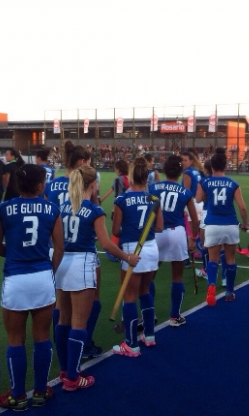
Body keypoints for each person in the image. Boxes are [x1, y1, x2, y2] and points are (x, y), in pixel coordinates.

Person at [55, 166, 140, 386]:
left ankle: (65, 369)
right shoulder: (94, 210)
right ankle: (73, 377)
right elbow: (106, 244)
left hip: (61, 263)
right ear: (92, 185)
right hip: (82, 264)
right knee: (78, 323)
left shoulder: (62, 207)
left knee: (63, 319)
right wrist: (127, 257)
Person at [0, 164, 64, 411]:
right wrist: (48, 270)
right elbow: (60, 248)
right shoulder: (52, 209)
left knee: (15, 339)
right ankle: (41, 392)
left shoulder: (3, 208)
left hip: (16, 279)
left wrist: (14, 255)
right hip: (42, 277)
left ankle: (18, 396)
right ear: (40, 185)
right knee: (42, 337)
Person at [46, 142, 103, 358]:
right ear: (81, 163)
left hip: (57, 248)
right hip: (82, 248)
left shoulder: (52, 185)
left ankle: (60, 344)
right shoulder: (83, 183)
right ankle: (84, 344)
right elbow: (93, 208)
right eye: (88, 163)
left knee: (61, 302)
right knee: (91, 296)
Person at [112, 158, 163, 357]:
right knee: (145, 291)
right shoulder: (153, 198)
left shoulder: (121, 200)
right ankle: (149, 336)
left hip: (131, 251)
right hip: (151, 249)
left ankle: (131, 344)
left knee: (130, 297)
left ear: (131, 177)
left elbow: (116, 230)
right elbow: (159, 227)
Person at [149, 155, 198, 326]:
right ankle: (175, 316)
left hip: (156, 233)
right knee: (177, 277)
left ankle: (150, 314)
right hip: (177, 233)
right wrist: (193, 238)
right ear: (179, 172)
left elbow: (146, 210)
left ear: (164, 169)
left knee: (149, 276)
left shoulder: (153, 188)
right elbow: (194, 218)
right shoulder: (185, 192)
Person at [196, 148, 249, 304]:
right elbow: (243, 207)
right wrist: (245, 223)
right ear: (225, 166)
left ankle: (211, 285)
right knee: (230, 258)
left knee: (213, 259)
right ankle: (229, 292)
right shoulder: (233, 183)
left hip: (212, 224)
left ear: (211, 167)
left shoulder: (204, 182)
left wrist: (206, 194)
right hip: (230, 224)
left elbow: (199, 199)